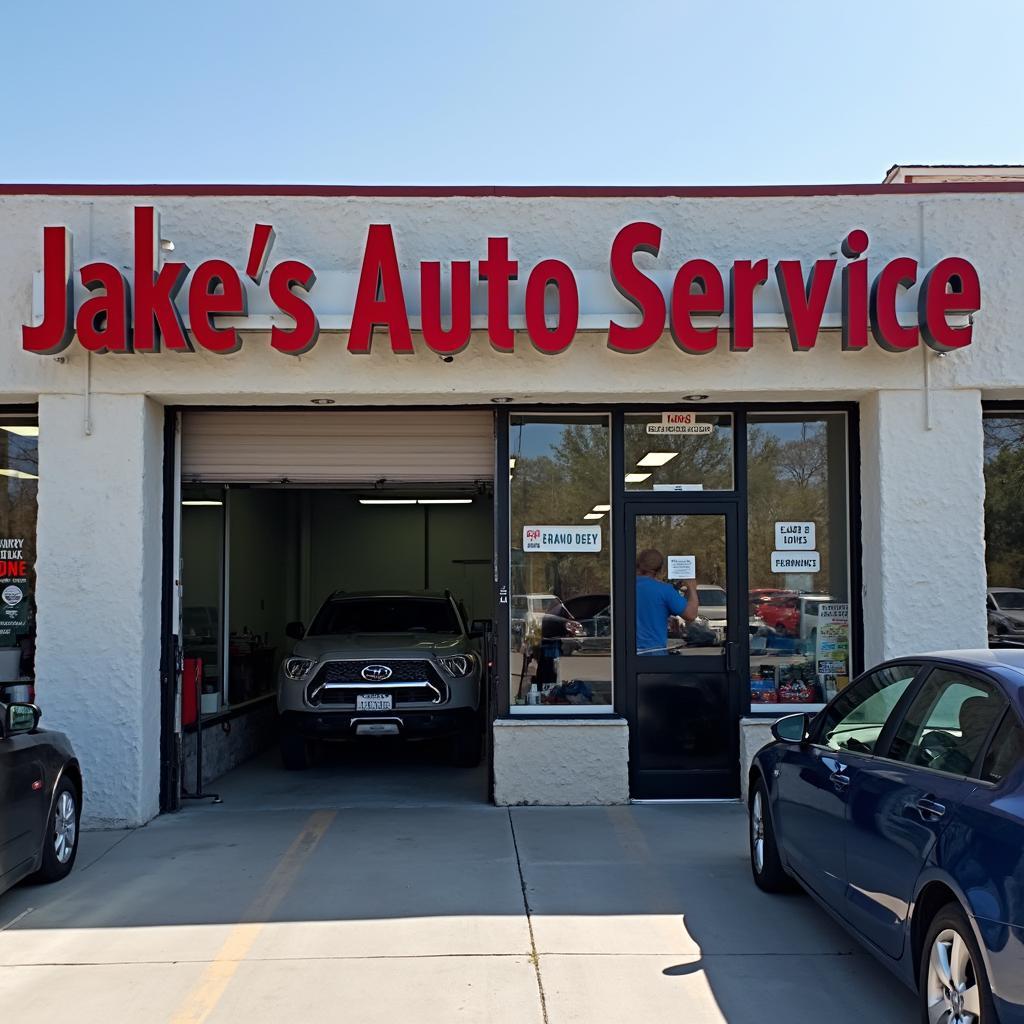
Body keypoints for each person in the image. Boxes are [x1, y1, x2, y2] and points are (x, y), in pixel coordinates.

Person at [636, 548, 699, 654]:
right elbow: (691, 615)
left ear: (637, 564)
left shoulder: (623, 588)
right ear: (660, 569)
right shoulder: (665, 591)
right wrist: (692, 588)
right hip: (654, 654)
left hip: (627, 657)